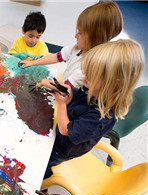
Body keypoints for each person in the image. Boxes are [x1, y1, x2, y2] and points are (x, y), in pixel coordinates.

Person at [38, 39, 144, 179]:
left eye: (92, 75)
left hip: (62, 149)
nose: (84, 77)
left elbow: (66, 130)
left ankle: (42, 182)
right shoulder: (94, 89)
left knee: (43, 168)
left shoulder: (101, 118)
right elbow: (77, 96)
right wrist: (68, 94)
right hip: (58, 133)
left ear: (114, 84)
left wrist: (62, 104)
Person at [21, 1, 123, 89]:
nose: (75, 36)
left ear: (95, 38)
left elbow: (65, 88)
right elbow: (57, 57)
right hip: (65, 85)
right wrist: (33, 63)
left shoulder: (89, 66)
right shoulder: (78, 48)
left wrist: (44, 82)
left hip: (71, 98)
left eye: (80, 33)